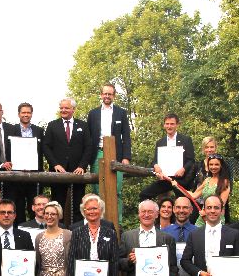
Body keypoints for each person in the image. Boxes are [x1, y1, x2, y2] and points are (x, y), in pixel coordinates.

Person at [42, 97, 92, 225]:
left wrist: (82, 166)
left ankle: (76, 231)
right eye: (61, 108)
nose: (63, 110)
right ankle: (57, 230)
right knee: (57, 205)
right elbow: (46, 147)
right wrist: (55, 164)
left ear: (73, 109)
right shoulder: (52, 125)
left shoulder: (83, 125)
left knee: (78, 205)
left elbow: (88, 147)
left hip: (78, 172)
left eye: (66, 108)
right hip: (58, 172)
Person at [88, 83, 131, 220]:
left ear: (114, 96)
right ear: (101, 95)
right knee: (97, 190)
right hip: (98, 153)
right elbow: (88, 138)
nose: (107, 96)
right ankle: (99, 221)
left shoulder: (121, 113)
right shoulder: (93, 113)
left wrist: (126, 157)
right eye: (105, 93)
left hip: (116, 154)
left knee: (116, 190)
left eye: (110, 94)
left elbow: (126, 136)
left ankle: (117, 223)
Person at [139, 113, 196, 201]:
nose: (169, 126)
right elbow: (155, 161)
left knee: (182, 202)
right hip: (165, 179)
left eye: (172, 124)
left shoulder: (186, 140)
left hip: (181, 180)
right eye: (167, 124)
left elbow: (191, 160)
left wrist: (183, 169)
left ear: (177, 125)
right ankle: (155, 210)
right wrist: (156, 166)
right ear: (164, 125)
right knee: (144, 194)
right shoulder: (160, 142)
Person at [9, 102, 45, 225]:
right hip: (16, 176)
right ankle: (19, 232)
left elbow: (43, 150)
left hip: (34, 175)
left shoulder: (39, 130)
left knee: (34, 207)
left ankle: (36, 231)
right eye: (23, 112)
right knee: (18, 207)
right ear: (18, 114)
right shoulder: (11, 129)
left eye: (28, 112)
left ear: (32, 114)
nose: (26, 115)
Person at [193, 137, 233, 223]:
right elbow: (194, 192)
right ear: (203, 149)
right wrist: (176, 184)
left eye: (212, 147)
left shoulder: (225, 169)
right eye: (207, 147)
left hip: (217, 211)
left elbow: (226, 191)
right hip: (200, 208)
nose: (209, 150)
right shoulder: (198, 166)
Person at [188, 154, 231, 226]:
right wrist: (176, 185)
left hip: (216, 218)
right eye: (211, 164)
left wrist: (207, 212)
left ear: (221, 166)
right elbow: (194, 195)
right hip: (202, 218)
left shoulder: (225, 182)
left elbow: (222, 204)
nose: (213, 167)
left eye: (216, 164)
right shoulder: (207, 180)